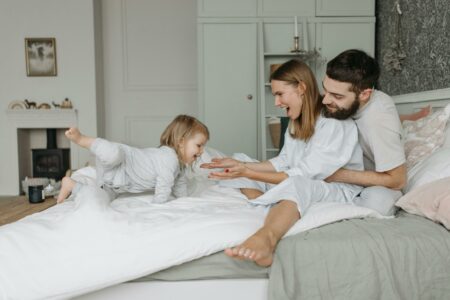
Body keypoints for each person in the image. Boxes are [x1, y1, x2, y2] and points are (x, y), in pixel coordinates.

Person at [202, 59, 364, 266]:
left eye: (279, 94)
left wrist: (247, 173)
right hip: (300, 178)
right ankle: (269, 205)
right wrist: (241, 166)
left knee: (295, 184)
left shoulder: (333, 123)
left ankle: (266, 238)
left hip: (335, 188)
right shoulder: (297, 121)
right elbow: (285, 161)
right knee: (240, 158)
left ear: (302, 88)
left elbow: (304, 174)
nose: (277, 102)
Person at [322, 49, 409, 216]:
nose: (325, 100)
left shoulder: (378, 120)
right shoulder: (350, 100)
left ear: (364, 94)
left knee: (378, 202)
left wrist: (335, 175)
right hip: (347, 173)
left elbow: (398, 180)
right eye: (325, 90)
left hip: (377, 184)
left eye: (336, 96)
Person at [57, 115, 209, 204]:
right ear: (181, 141)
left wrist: (187, 204)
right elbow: (164, 187)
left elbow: (180, 192)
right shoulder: (169, 158)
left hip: (117, 183)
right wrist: (158, 207)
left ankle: (71, 185)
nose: (202, 151)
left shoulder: (180, 166)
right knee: (113, 153)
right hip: (123, 161)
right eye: (199, 145)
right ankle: (82, 139)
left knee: (99, 199)